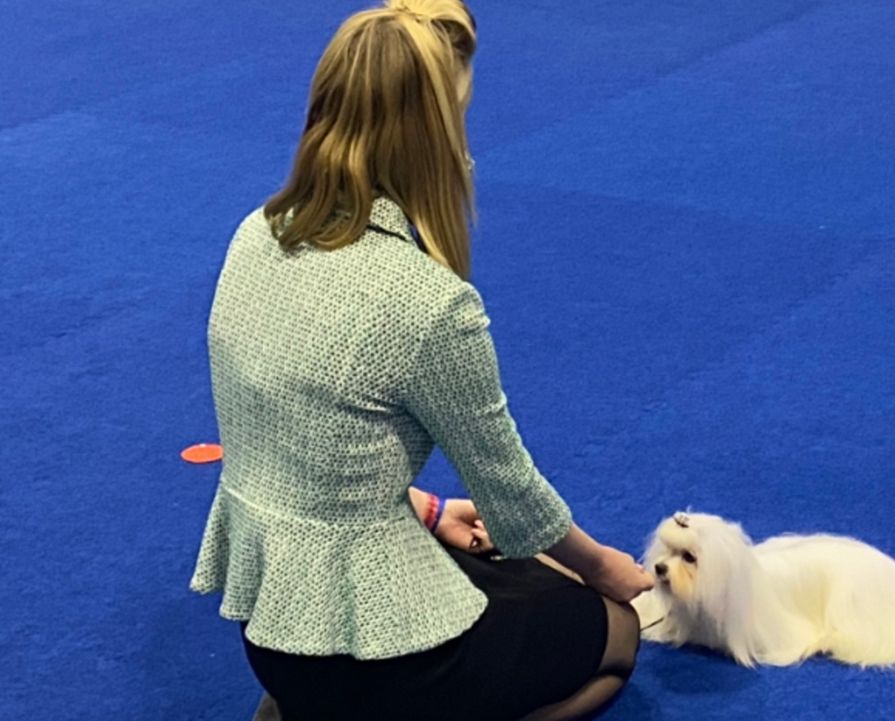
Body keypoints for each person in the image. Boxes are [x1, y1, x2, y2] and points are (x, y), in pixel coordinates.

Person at [188, 2, 654, 719]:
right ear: (437, 136)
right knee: (613, 630)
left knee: (515, 570)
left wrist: (429, 509)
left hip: (273, 636)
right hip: (378, 660)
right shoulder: (429, 300)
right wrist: (607, 568)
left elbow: (289, 450)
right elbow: (514, 498)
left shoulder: (255, 233)